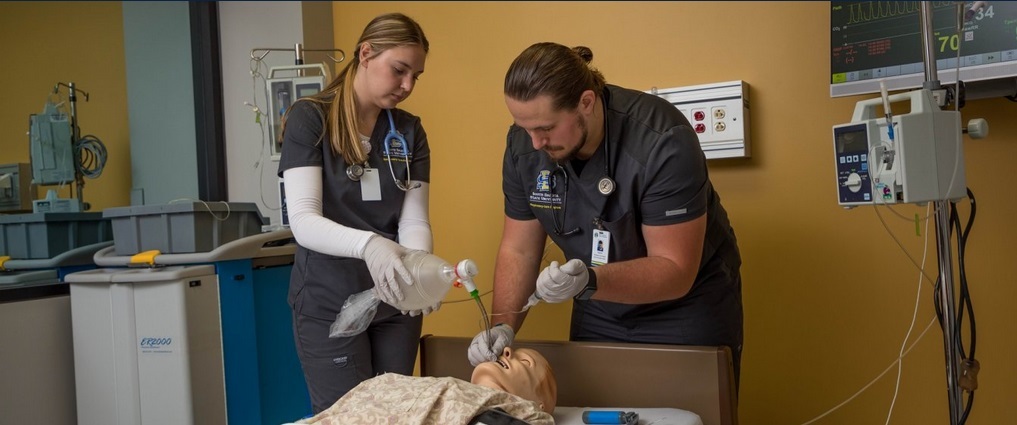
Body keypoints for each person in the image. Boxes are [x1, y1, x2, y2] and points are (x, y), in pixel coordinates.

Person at [468, 42, 744, 385]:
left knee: (687, 411)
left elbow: (675, 268)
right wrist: (503, 325)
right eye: (525, 128)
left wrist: (590, 280)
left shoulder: (662, 141)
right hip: (598, 305)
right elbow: (519, 249)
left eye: (546, 128)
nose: (535, 143)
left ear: (586, 102)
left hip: (685, 306)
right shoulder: (526, 145)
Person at [277, 12, 439, 412]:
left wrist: (418, 270)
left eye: (415, 76)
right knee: (351, 418)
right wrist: (370, 245)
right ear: (366, 53)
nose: (407, 86)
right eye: (399, 70)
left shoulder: (409, 131)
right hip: (330, 302)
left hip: (395, 301)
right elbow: (302, 220)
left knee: (397, 414)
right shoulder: (310, 118)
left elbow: (413, 219)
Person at [292, 347, 556, 425]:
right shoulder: (448, 387)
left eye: (525, 361)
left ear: (537, 404)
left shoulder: (522, 415)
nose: (506, 350)